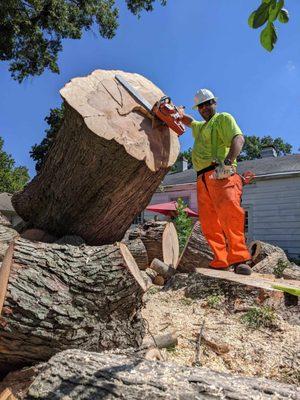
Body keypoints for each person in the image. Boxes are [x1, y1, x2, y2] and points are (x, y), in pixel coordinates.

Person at [178, 89, 252, 275]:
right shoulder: (202, 127)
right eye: (200, 106)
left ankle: (240, 258)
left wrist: (227, 163)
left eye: (207, 103)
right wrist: (178, 113)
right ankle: (221, 259)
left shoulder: (223, 118)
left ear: (214, 103)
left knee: (230, 215)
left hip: (220, 172)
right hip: (202, 177)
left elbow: (238, 138)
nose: (204, 108)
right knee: (209, 221)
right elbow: (189, 122)